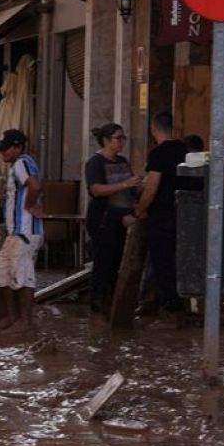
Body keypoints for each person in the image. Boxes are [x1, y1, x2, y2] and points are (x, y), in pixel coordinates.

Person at [127, 111, 189, 315]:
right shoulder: (184, 150)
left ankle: (170, 307)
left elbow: (151, 188)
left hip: (163, 215)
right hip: (185, 214)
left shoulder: (159, 154)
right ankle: (172, 303)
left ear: (153, 129)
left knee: (162, 261)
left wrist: (138, 210)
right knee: (177, 260)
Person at [84, 123, 141, 316]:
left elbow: (131, 189)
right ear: (106, 140)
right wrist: (125, 184)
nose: (122, 142)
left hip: (123, 218)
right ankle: (98, 302)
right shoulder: (95, 163)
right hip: (103, 219)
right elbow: (96, 190)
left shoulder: (122, 161)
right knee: (103, 261)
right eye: (118, 138)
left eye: (124, 138)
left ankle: (114, 302)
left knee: (117, 261)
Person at [0, 128, 42, 334]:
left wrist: (29, 205)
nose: (3, 153)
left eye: (6, 149)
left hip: (25, 231)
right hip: (15, 232)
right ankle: (13, 317)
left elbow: (35, 186)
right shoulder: (17, 165)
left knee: (23, 275)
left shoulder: (22, 162)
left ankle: (25, 321)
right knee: (4, 272)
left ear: (18, 148)